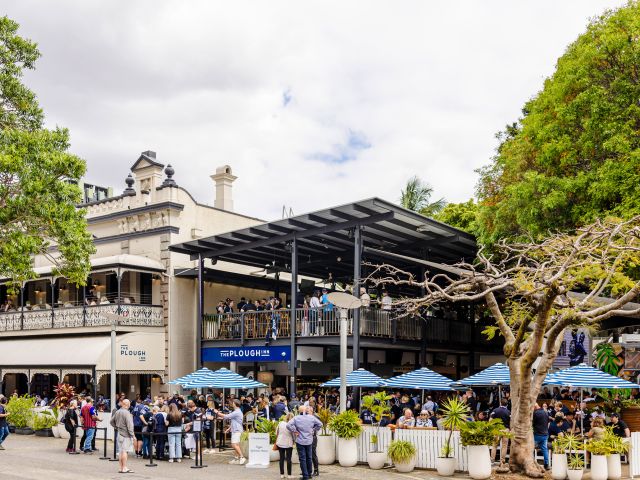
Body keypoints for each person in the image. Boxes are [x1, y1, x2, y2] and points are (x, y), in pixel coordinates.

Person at [287, 406, 322, 480]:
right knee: (309, 458)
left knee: (302, 459)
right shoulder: (311, 417)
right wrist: (314, 430)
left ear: (299, 411)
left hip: (300, 441)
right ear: (306, 410)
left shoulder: (296, 418)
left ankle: (305, 476)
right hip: (309, 440)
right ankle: (309, 474)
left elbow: (288, 425)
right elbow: (320, 424)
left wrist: (294, 430)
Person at [216, 399, 246, 465]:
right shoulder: (237, 411)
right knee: (236, 445)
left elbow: (226, 416)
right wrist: (229, 429)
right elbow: (235, 421)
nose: (232, 404)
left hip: (237, 430)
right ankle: (237, 458)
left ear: (235, 404)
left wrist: (217, 412)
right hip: (236, 429)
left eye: (232, 403)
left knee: (234, 444)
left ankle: (242, 457)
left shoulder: (237, 412)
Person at [110, 398, 135, 474]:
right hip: (126, 435)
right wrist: (133, 435)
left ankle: (121, 468)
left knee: (121, 451)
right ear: (128, 405)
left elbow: (111, 421)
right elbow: (129, 425)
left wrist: (116, 427)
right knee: (124, 451)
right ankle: (124, 468)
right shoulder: (127, 413)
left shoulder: (117, 411)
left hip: (119, 434)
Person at [490, 398, 511, 465]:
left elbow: (490, 420)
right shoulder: (508, 412)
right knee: (504, 446)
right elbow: (511, 422)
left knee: (494, 445)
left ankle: (492, 461)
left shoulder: (495, 410)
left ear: (500, 403)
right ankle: (502, 461)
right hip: (506, 430)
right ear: (506, 404)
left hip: (497, 430)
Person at [276, 412, 295, 479]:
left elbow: (276, 432)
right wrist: (294, 441)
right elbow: (293, 435)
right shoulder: (291, 425)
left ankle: (282, 474)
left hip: (280, 442)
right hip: (288, 442)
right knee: (289, 459)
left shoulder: (280, 423)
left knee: (281, 458)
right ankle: (289, 475)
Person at [532, 403, 550, 470]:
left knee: (531, 448)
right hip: (545, 434)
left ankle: (532, 463)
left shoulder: (535, 413)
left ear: (535, 407)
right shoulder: (545, 412)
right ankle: (546, 465)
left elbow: (532, 423)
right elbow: (548, 422)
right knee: (545, 449)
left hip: (537, 435)